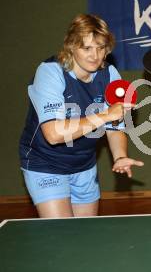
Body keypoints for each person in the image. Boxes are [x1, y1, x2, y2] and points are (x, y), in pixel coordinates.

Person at [19, 14, 144, 218]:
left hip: (84, 164)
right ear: (71, 47)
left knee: (84, 236)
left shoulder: (109, 75)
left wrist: (120, 155)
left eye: (100, 48)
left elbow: (115, 127)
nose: (95, 55)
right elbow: (53, 134)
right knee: (61, 236)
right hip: (46, 164)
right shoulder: (51, 72)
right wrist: (104, 115)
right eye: (87, 48)